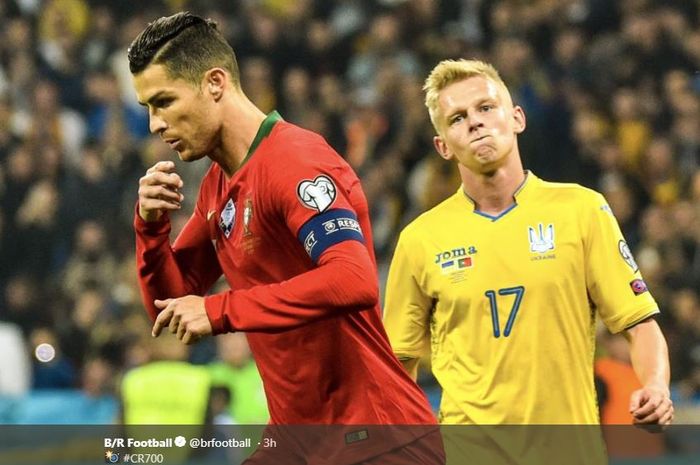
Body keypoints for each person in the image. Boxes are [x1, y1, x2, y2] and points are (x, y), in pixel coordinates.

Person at [127, 12, 443, 465]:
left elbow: (354, 279)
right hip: (297, 439)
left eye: (163, 101)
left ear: (214, 83)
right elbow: (171, 308)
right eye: (148, 109)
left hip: (374, 436)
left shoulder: (296, 161)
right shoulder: (219, 187)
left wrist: (221, 309)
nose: (155, 124)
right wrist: (151, 228)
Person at [382, 59, 673, 461]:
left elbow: (638, 323)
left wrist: (656, 385)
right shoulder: (420, 240)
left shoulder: (581, 209)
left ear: (516, 118)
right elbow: (397, 365)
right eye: (458, 118)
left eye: (487, 107)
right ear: (443, 145)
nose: (476, 122)